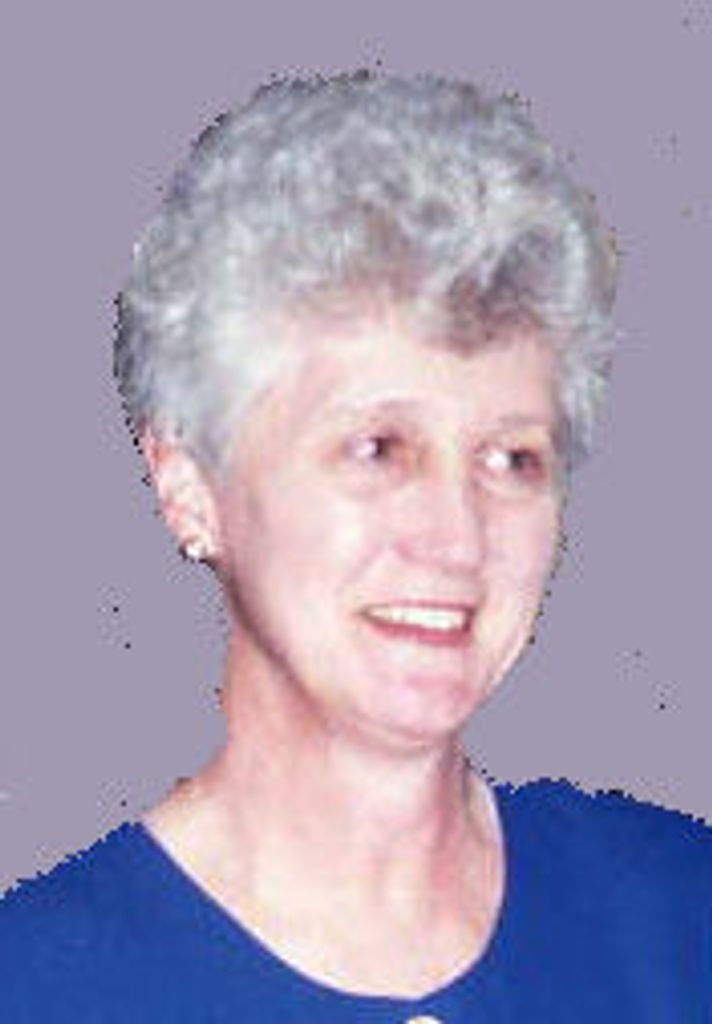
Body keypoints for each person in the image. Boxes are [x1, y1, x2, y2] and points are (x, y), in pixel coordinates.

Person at [1, 72, 709, 1022]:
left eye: (512, 460)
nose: (457, 540)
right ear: (189, 483)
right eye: (378, 449)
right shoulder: (38, 987)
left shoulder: (680, 916)